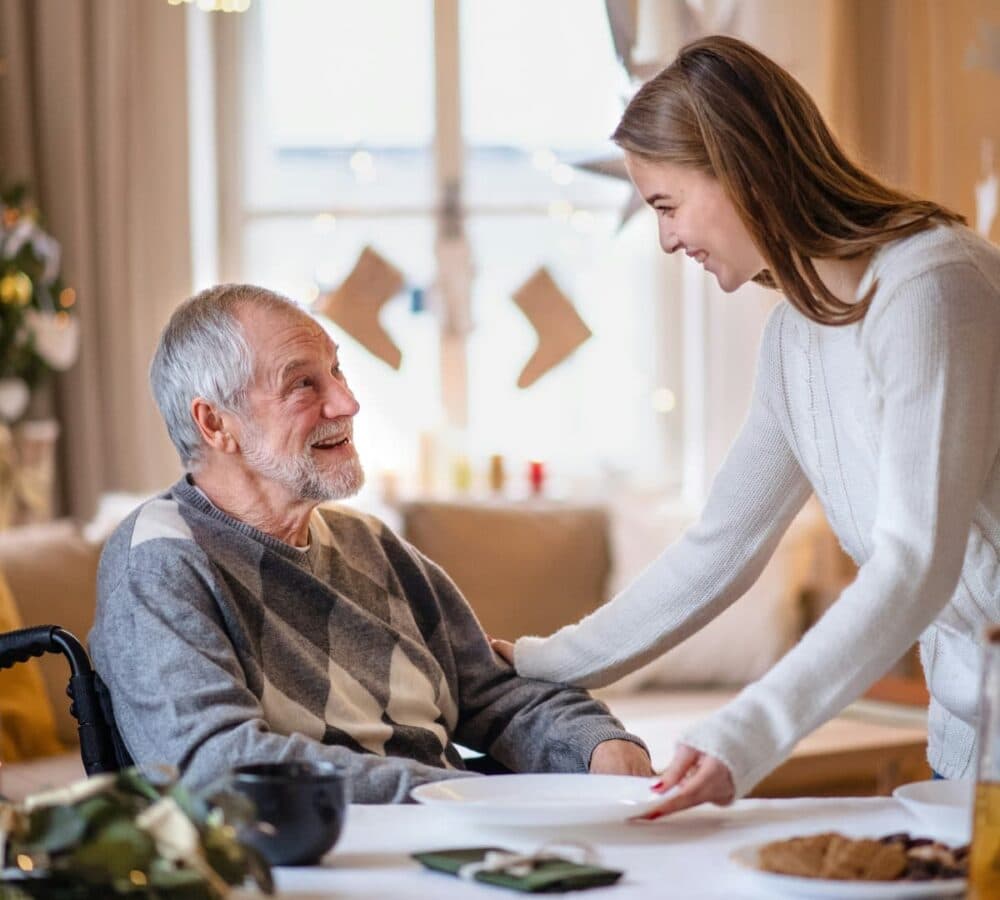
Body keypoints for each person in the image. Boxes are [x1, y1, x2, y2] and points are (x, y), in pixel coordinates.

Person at [493, 34, 1000, 817]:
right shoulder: (796, 338)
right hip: (969, 745)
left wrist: (745, 732)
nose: (664, 237)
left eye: (667, 204)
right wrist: (541, 662)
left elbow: (916, 561)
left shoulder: (933, 287)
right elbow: (720, 546)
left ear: (741, 171)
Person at [90, 284, 652, 802]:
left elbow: (492, 692)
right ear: (216, 425)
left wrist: (598, 744)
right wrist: (457, 796)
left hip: (448, 839)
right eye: (303, 384)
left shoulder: (368, 542)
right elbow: (219, 769)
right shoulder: (160, 559)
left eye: (337, 371)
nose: (346, 403)